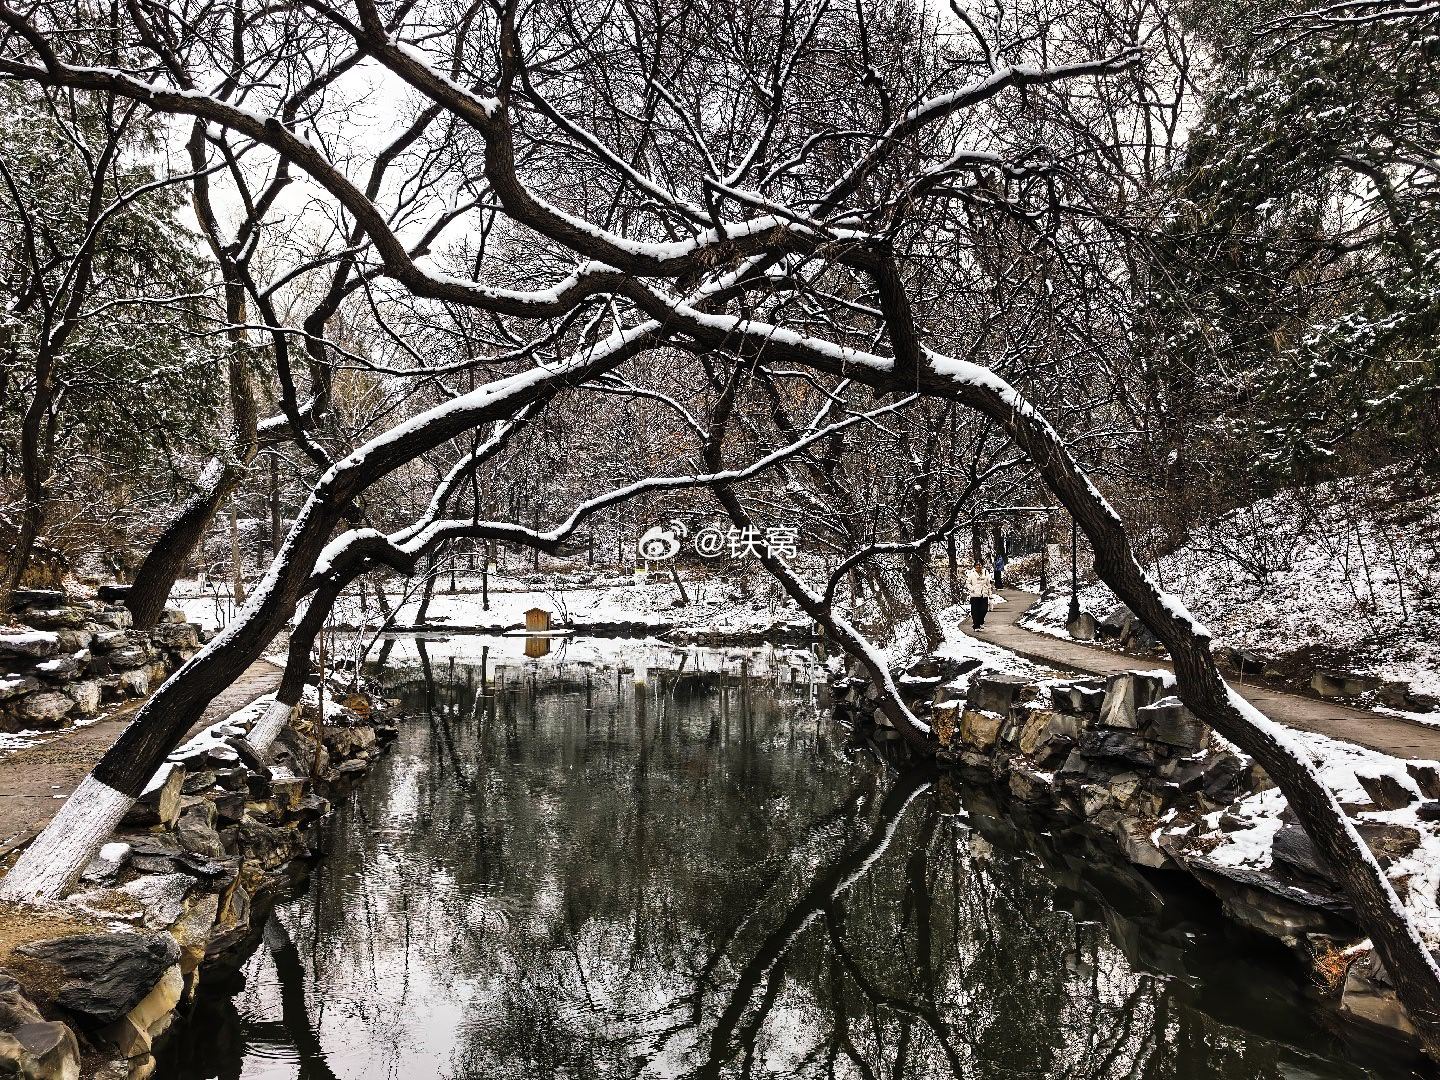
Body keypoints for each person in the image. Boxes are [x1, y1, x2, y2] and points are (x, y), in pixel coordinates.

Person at [965, 561, 994, 630]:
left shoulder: (986, 574)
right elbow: (968, 583)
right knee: (975, 611)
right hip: (975, 595)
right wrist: (972, 589)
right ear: (974, 567)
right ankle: (976, 625)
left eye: (980, 565)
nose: (978, 566)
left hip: (984, 594)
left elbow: (988, 585)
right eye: (977, 565)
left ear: (982, 566)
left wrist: (990, 594)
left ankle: (981, 621)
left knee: (984, 610)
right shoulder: (971, 575)